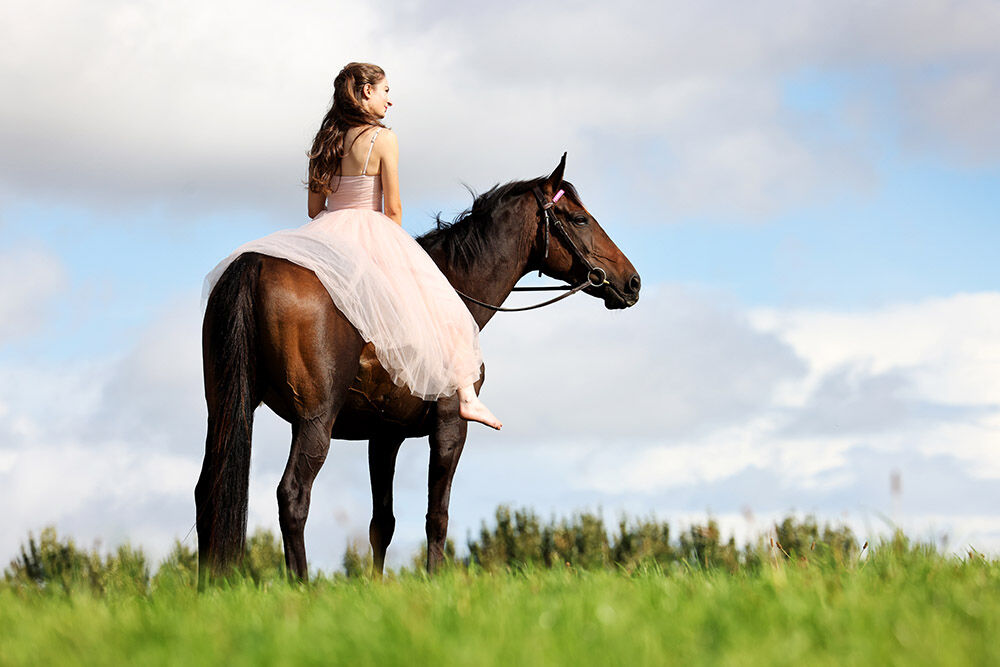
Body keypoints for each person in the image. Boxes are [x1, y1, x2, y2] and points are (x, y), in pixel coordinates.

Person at [204, 62, 501, 430]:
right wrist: (396, 252)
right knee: (442, 308)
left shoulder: (324, 139)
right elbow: (392, 208)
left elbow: (314, 208)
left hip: (326, 232)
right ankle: (467, 397)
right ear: (365, 92)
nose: (390, 102)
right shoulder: (383, 139)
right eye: (385, 91)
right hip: (373, 228)